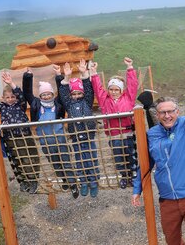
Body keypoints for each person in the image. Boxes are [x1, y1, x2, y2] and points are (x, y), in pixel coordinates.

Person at [132, 57, 185, 245]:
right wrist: (137, 189)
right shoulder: (152, 134)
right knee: (172, 241)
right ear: (158, 114)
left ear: (177, 112)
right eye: (163, 112)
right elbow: (146, 162)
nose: (167, 115)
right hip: (167, 200)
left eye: (171, 111)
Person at [22, 66, 79, 199]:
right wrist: (28, 76)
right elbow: (27, 93)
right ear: (40, 96)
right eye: (43, 94)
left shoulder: (58, 103)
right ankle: (63, 179)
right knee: (54, 162)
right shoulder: (36, 104)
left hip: (60, 138)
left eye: (48, 94)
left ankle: (73, 183)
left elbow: (62, 90)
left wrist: (59, 75)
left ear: (53, 94)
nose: (46, 96)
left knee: (65, 160)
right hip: (46, 141)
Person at [90, 57, 138, 189]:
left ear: (121, 90)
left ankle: (134, 176)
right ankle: (124, 176)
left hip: (128, 133)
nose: (114, 92)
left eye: (117, 90)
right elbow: (98, 89)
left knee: (131, 156)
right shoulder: (104, 101)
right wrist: (94, 73)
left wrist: (130, 68)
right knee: (118, 159)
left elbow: (133, 86)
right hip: (114, 135)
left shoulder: (128, 98)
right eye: (111, 89)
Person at [0, 71, 39, 194]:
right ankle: (23, 181)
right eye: (7, 97)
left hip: (23, 136)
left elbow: (21, 97)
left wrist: (11, 83)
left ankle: (33, 181)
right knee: (16, 160)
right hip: (10, 137)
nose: (10, 99)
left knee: (28, 159)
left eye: (12, 97)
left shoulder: (20, 105)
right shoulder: (2, 107)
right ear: (3, 98)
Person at [58, 59, 100, 198]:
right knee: (80, 160)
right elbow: (63, 92)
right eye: (74, 93)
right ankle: (83, 183)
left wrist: (84, 73)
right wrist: (67, 77)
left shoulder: (87, 101)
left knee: (91, 159)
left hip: (88, 136)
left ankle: (93, 183)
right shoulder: (69, 104)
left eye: (78, 93)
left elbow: (88, 89)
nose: (76, 96)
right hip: (75, 136)